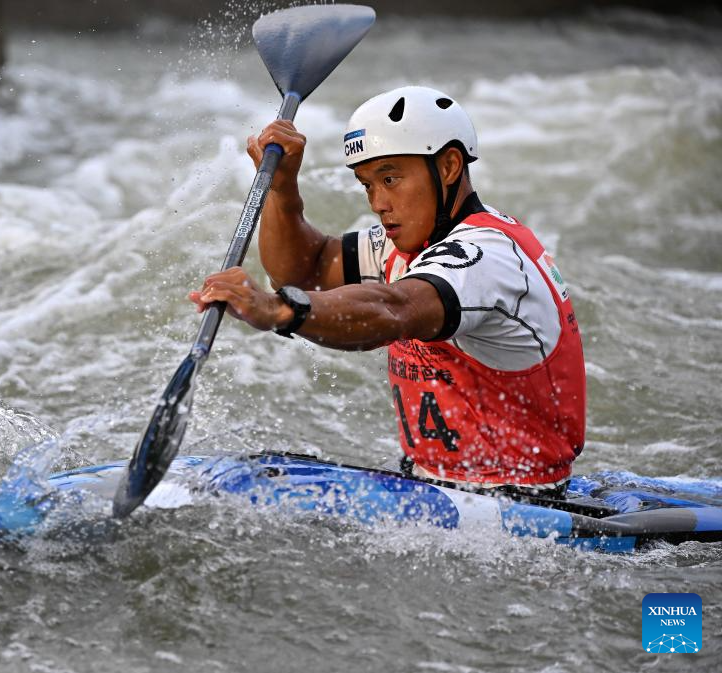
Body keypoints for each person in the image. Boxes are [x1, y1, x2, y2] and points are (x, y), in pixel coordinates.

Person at [189, 85, 586, 493]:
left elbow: (395, 308)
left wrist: (278, 311)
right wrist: (282, 188)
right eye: (367, 184)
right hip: (436, 481)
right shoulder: (411, 245)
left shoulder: (486, 257)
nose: (378, 203)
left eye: (390, 179)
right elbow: (305, 269)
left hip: (519, 495)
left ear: (449, 167)